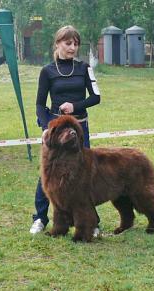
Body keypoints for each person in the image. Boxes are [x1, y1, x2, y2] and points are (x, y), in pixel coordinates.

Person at [29, 25, 101, 234]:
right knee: (49, 174)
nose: (72, 48)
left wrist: (75, 106)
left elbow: (96, 97)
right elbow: (40, 105)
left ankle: (92, 222)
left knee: (84, 176)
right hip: (57, 131)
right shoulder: (47, 71)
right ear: (58, 43)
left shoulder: (84, 68)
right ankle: (40, 218)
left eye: (76, 44)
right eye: (68, 43)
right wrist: (45, 128)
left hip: (80, 129)